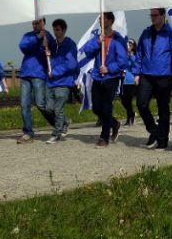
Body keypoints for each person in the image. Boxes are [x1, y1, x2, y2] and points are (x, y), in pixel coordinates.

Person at [78, 12, 129, 148]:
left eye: (104, 18)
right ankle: (114, 123)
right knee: (96, 107)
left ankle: (104, 137)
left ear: (111, 21)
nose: (101, 20)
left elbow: (123, 61)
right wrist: (97, 42)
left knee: (107, 107)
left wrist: (109, 68)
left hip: (111, 77)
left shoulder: (117, 39)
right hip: (97, 76)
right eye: (100, 18)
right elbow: (87, 51)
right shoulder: (97, 38)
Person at [135, 8, 172, 150]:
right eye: (151, 15)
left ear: (162, 15)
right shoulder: (146, 32)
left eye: (155, 15)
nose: (152, 18)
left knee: (163, 108)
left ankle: (163, 140)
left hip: (165, 75)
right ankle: (155, 131)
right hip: (146, 74)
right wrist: (136, 72)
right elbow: (139, 53)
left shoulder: (171, 33)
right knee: (141, 103)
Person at [17, 18, 55, 144]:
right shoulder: (28, 36)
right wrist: (37, 38)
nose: (34, 25)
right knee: (24, 105)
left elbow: (53, 52)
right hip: (25, 74)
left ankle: (60, 122)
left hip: (38, 74)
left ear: (43, 23)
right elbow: (23, 47)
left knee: (40, 104)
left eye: (37, 23)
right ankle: (28, 132)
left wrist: (46, 45)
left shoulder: (48, 36)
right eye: (33, 23)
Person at [41, 19, 78, 144]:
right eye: (54, 29)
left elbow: (71, 64)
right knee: (48, 109)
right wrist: (44, 49)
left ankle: (56, 134)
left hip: (64, 82)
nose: (55, 32)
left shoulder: (69, 45)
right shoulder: (51, 44)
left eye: (57, 29)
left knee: (58, 109)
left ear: (63, 30)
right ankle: (65, 122)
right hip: (51, 82)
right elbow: (46, 58)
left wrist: (55, 72)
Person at [120, 38, 140, 126]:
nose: (128, 47)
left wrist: (131, 55)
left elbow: (135, 65)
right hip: (124, 81)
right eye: (127, 45)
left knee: (128, 99)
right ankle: (131, 113)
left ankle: (130, 117)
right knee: (124, 100)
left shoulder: (135, 55)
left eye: (130, 45)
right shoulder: (124, 56)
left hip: (132, 80)